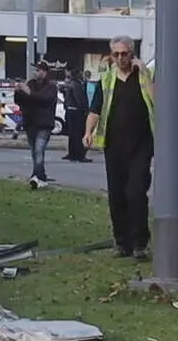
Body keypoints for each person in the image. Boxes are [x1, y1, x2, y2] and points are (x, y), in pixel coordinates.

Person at [84, 37, 155, 258]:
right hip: (114, 146)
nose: (121, 58)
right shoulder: (106, 80)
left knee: (136, 193)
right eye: (117, 54)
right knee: (117, 195)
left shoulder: (143, 77)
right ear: (111, 56)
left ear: (132, 54)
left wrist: (144, 73)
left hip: (141, 144)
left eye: (125, 54)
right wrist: (88, 132)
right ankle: (122, 242)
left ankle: (140, 243)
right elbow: (95, 109)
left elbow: (157, 101)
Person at [16, 60, 60, 188]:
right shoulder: (30, 84)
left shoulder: (51, 86)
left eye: (38, 70)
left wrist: (28, 92)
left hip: (44, 123)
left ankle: (37, 176)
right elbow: (21, 101)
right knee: (34, 151)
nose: (36, 73)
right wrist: (18, 91)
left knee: (39, 149)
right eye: (35, 70)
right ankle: (41, 175)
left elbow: (44, 99)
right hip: (30, 122)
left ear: (45, 72)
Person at [62, 67, 91, 162]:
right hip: (77, 112)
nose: (82, 75)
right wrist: (85, 111)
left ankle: (72, 153)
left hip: (70, 111)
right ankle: (79, 155)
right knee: (78, 134)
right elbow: (80, 99)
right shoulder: (77, 84)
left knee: (72, 134)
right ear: (77, 74)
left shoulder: (70, 84)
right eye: (80, 73)